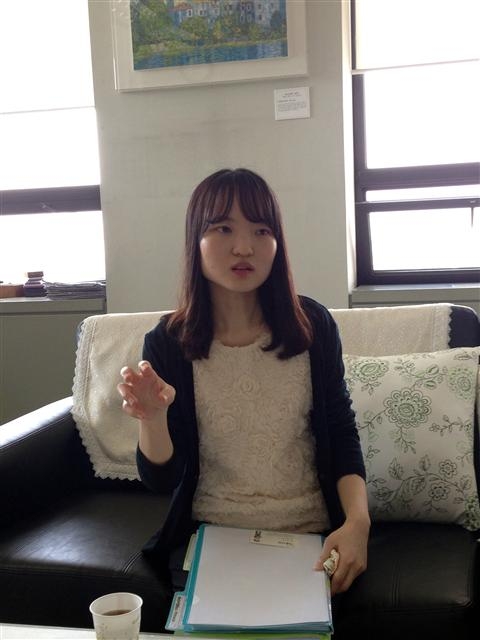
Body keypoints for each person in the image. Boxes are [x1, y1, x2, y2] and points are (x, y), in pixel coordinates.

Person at [117, 168, 370, 600]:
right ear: (195, 240)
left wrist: (357, 523)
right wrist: (153, 419)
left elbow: (342, 432)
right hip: (211, 535)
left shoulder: (313, 326)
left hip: (310, 533)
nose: (244, 247)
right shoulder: (168, 342)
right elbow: (162, 480)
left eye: (261, 230)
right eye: (223, 228)